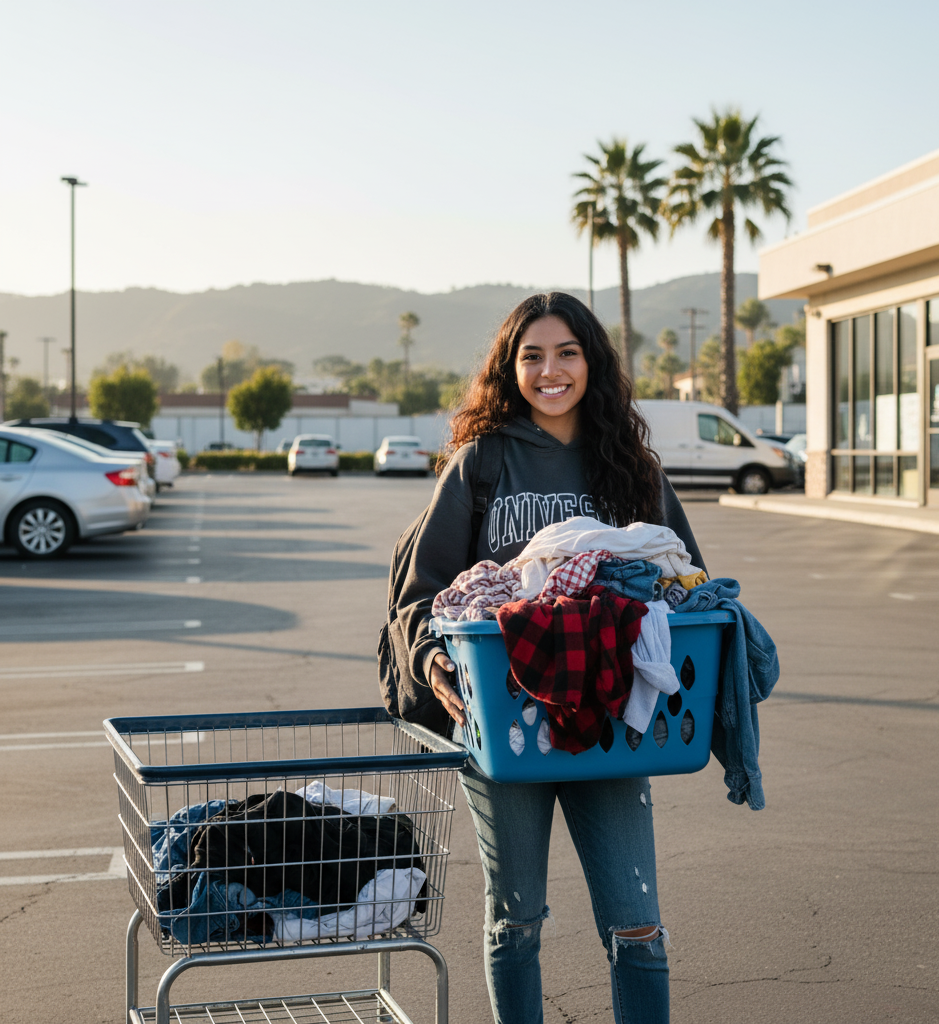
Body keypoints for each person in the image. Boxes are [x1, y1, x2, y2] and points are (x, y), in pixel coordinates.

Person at [397, 292, 705, 1024]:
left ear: (591, 362)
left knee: (637, 925)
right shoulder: (482, 461)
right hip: (502, 723)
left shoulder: (631, 468)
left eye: (566, 351)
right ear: (510, 369)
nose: (549, 370)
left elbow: (685, 583)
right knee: (515, 922)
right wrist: (429, 660)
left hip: (609, 724)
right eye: (530, 355)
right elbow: (423, 591)